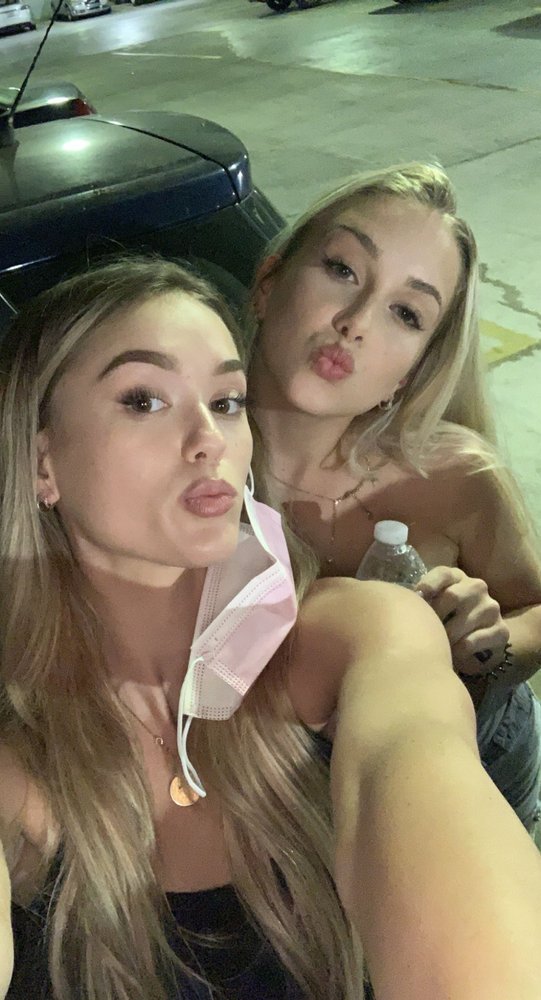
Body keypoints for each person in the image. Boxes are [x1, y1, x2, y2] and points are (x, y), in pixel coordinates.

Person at [1, 257, 541, 1000]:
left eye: (226, 402)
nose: (209, 440)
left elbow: (420, 763)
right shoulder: (18, 745)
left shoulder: (355, 633)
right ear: (43, 462)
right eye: (144, 400)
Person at [247, 162, 541, 834]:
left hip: (472, 777)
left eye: (405, 313)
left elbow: (533, 611)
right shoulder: (169, 467)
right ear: (267, 284)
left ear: (413, 369)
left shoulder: (454, 475)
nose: (354, 323)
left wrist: (486, 649)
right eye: (342, 270)